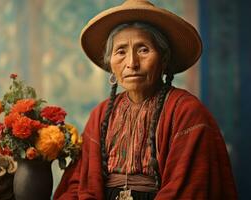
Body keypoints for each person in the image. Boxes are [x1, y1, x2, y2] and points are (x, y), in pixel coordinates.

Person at [54, 0, 237, 199]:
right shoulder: (101, 114)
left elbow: (190, 188)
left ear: (164, 59)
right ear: (110, 63)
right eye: (121, 51)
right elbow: (81, 182)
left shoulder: (186, 111)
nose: (132, 63)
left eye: (143, 49)